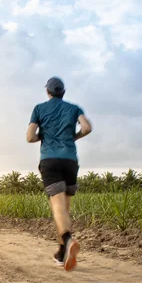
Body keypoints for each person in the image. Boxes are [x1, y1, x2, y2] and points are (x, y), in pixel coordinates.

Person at [26, 77, 92, 272]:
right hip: (70, 161)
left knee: (57, 208)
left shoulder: (39, 109)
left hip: (50, 160)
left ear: (48, 91)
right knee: (64, 209)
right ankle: (62, 252)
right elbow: (87, 127)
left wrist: (43, 136)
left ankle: (68, 239)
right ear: (63, 92)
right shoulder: (74, 108)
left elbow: (30, 137)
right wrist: (74, 136)